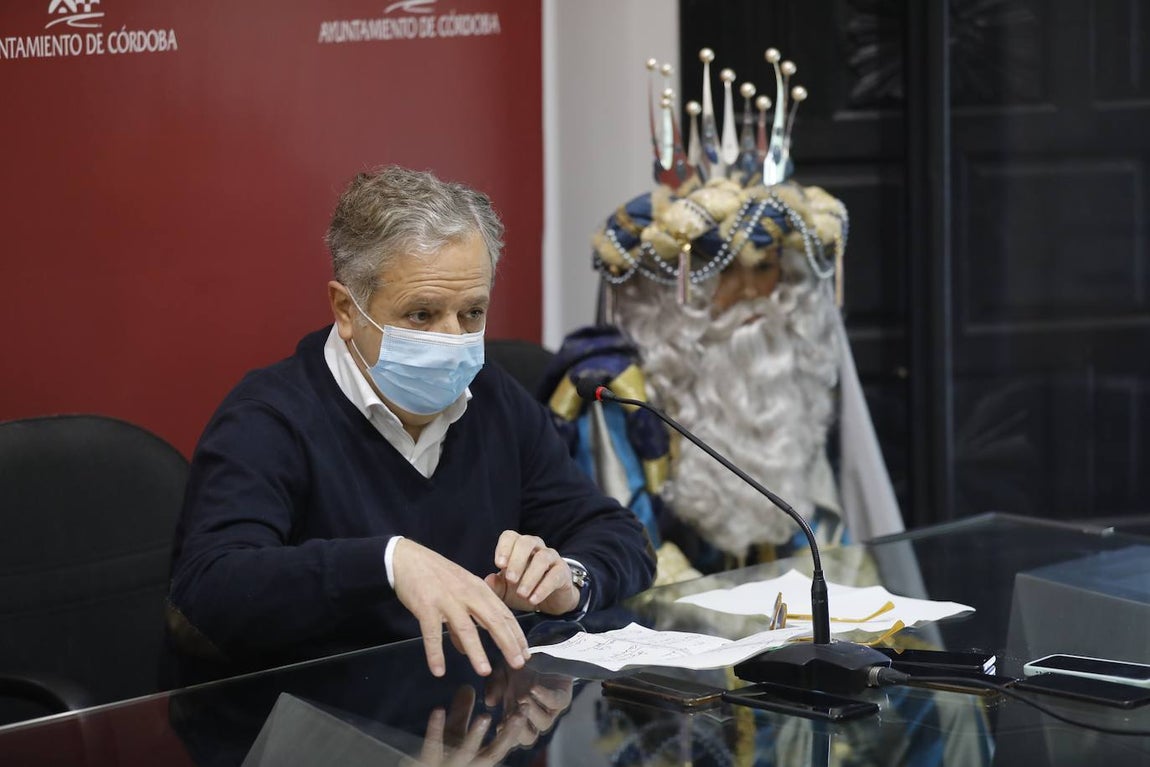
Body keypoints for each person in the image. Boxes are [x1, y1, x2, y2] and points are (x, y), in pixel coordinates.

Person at [166, 166, 656, 680]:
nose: (452, 340)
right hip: (309, 715)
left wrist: (567, 581)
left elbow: (619, 535)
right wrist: (388, 562)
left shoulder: (494, 399)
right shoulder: (267, 418)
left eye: (472, 313)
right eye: (421, 314)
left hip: (475, 709)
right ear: (346, 309)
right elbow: (209, 590)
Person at [545, 49, 902, 578]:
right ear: (669, 294)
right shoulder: (613, 389)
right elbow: (627, 550)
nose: (754, 292)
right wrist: (735, 620)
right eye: (725, 272)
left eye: (767, 268)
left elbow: (822, 530)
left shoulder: (787, 370)